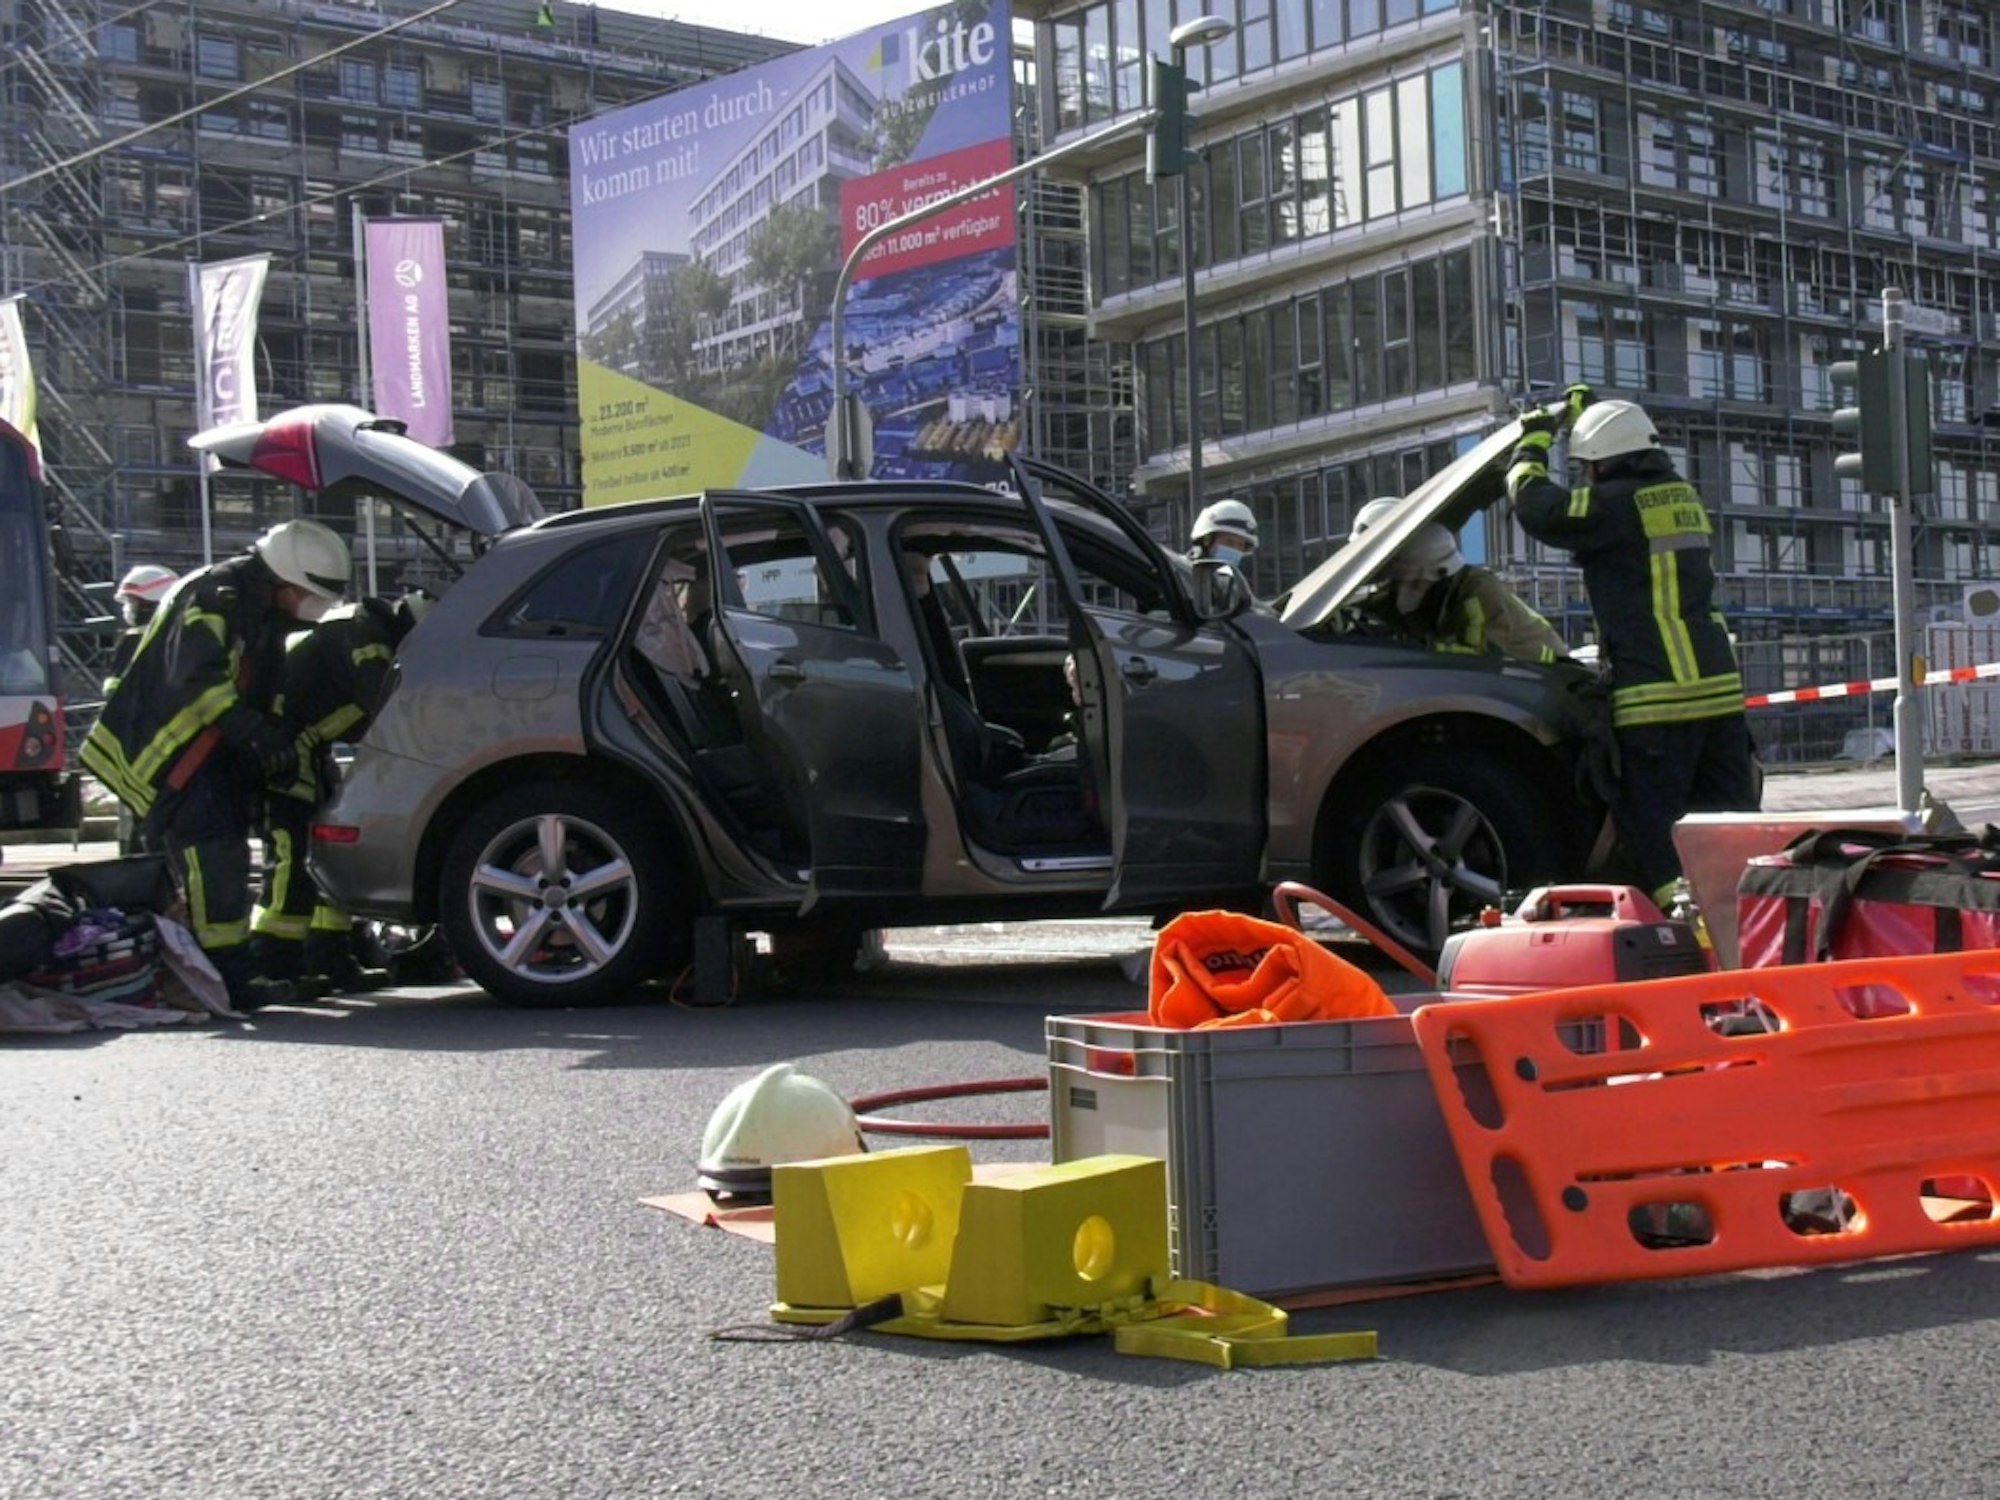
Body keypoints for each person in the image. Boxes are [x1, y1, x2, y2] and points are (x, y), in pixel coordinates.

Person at [80, 519, 353, 1011]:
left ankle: (223, 969)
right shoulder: (215, 597)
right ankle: (225, 976)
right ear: (283, 580)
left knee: (218, 855)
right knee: (215, 859)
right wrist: (254, 735)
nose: (308, 607)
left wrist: (271, 748)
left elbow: (263, 686)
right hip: (169, 755)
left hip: (206, 753)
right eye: (307, 594)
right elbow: (197, 680)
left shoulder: (260, 609)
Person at [1505, 386, 1759, 909]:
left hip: (1657, 697)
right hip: (1718, 692)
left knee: (1653, 826)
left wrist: (1531, 445)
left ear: (1600, 461)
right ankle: (1749, 922)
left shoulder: (1616, 504)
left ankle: (1690, 923)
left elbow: (1539, 508)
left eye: (1585, 465)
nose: (1584, 477)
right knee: (1728, 824)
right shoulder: (1679, 494)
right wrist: (1583, 424)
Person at [251, 590, 433, 997]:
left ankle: (329, 961)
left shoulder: (363, 628)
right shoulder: (366, 638)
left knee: (324, 858)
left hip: (307, 752)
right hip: (285, 754)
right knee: (291, 860)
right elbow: (385, 707)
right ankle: (272, 964)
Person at [1349, 499, 1569, 664]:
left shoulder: (1478, 591)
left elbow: (1479, 656)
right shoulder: (1401, 590)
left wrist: (1408, 648)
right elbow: (1375, 610)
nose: (1412, 587)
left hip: (1544, 679)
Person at [105, 565, 178, 691]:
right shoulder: (184, 634)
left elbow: (115, 683)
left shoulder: (133, 639)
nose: (130, 608)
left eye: (134, 602)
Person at [1187, 499, 1259, 612]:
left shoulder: (1230, 582)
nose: (1234, 549)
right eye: (1229, 542)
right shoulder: (1182, 574)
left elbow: (1255, 609)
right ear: (1207, 541)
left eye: (1240, 545)